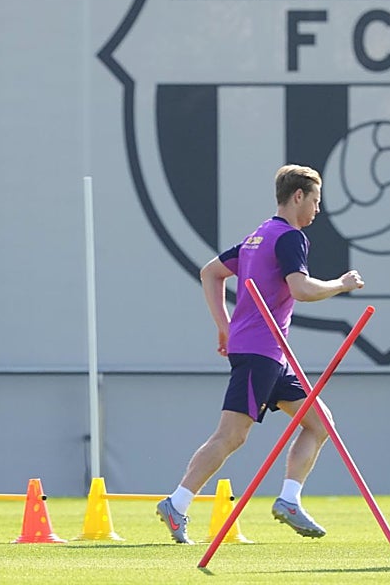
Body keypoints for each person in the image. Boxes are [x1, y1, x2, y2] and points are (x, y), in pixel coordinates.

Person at [156, 164, 364, 544]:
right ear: (298, 196)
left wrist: (224, 326)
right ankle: (178, 502)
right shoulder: (290, 238)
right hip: (260, 351)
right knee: (231, 436)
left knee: (320, 422)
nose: (318, 209)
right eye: (316, 200)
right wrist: (341, 284)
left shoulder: (258, 236)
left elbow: (210, 272)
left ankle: (289, 500)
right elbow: (300, 289)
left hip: (268, 353)